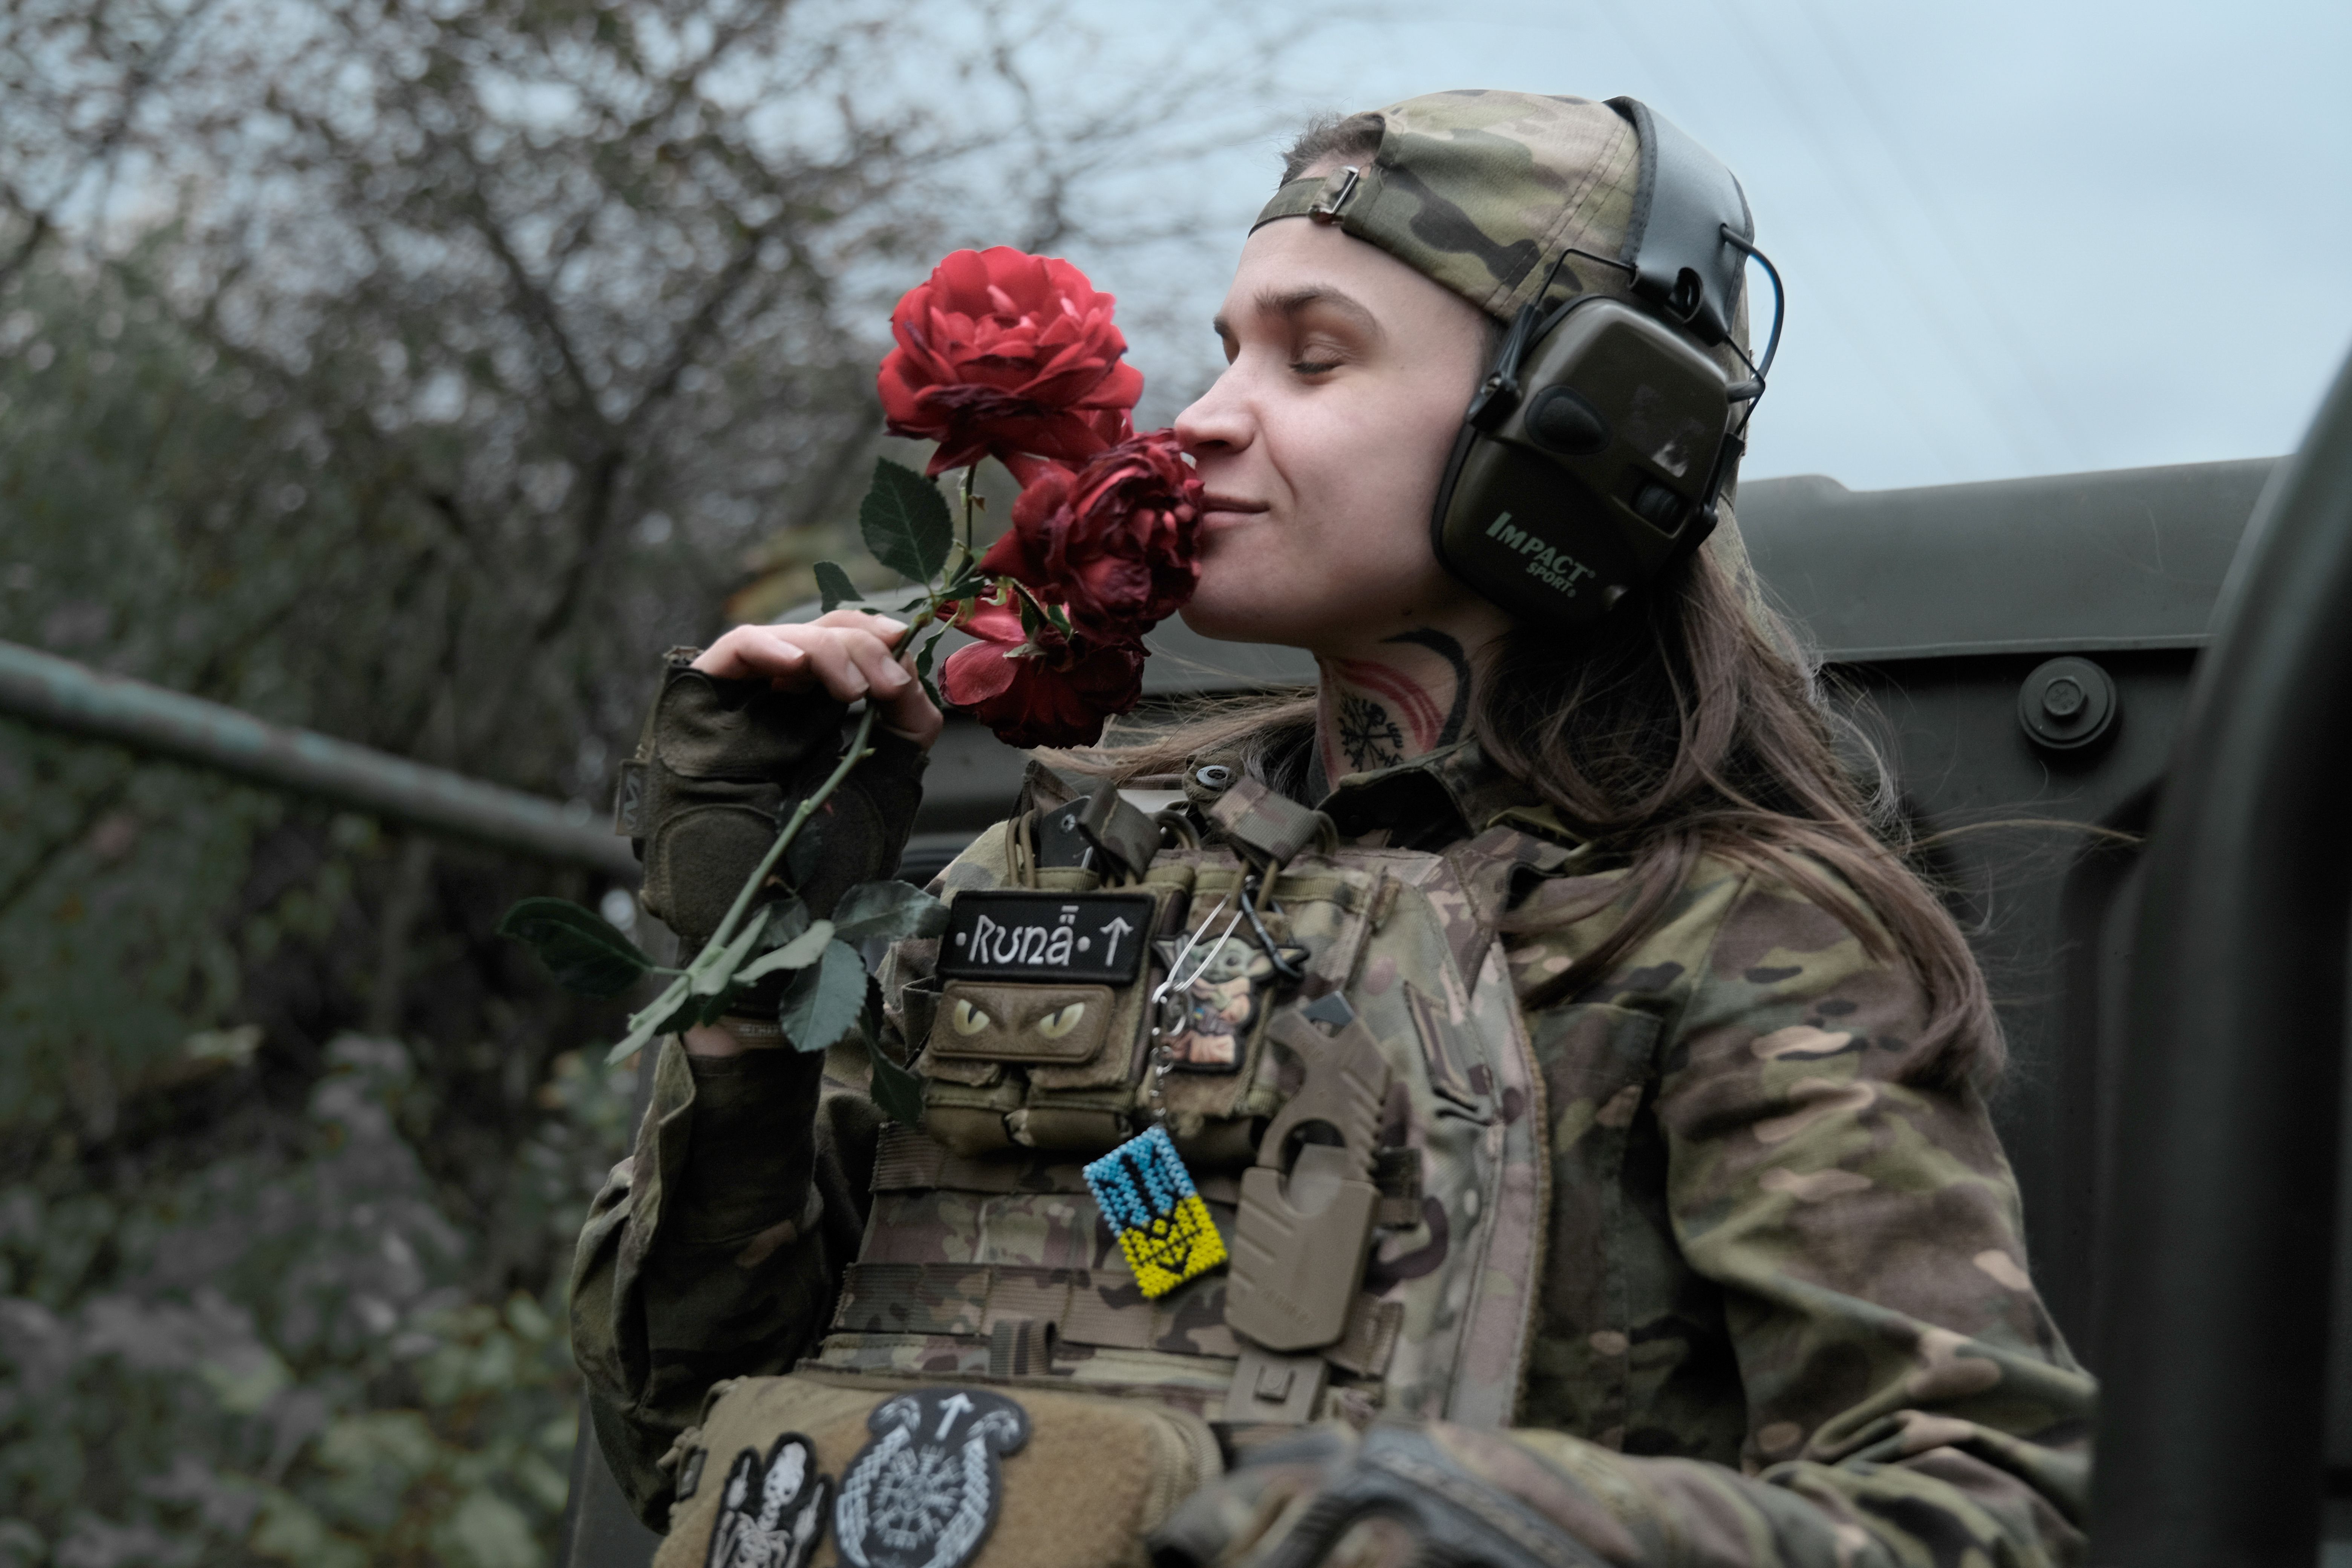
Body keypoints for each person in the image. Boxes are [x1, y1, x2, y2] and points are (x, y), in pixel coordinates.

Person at [572, 91, 2093, 1568]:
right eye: (1227, 352)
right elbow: (689, 1446)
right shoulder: (1066, 873)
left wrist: (1502, 1525)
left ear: (1567, 431)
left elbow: (1972, 1512)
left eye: (1315, 359)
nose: (1209, 420)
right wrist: (759, 979)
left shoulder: (1726, 939)